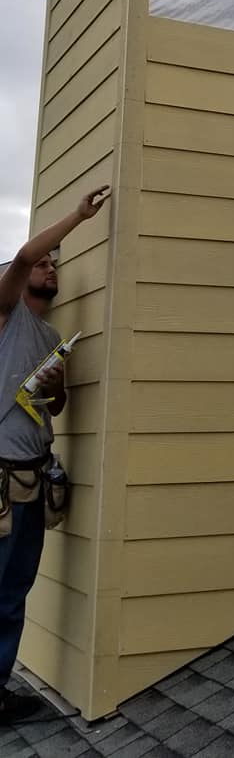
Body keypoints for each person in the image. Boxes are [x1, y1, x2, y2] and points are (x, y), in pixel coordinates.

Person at [0, 187, 109, 724]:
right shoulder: (4, 316)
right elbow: (20, 257)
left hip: (32, 478)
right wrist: (78, 216)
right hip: (2, 485)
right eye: (43, 262)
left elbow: (52, 410)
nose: (48, 266)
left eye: (54, 264)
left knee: (14, 588)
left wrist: (58, 385)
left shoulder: (50, 335)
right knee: (0, 589)